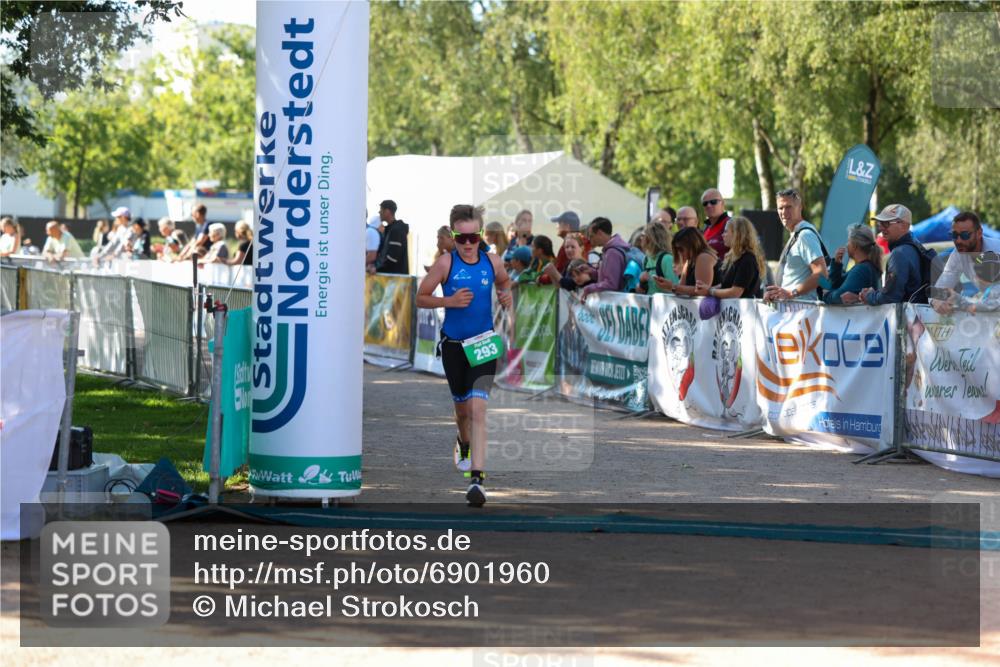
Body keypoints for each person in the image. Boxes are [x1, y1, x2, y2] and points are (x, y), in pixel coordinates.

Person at [415, 204, 512, 507]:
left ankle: (477, 480)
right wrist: (450, 301)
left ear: (482, 235)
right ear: (453, 235)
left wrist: (505, 293)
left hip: (483, 344)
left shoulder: (492, 261)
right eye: (462, 238)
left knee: (479, 410)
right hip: (454, 347)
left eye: (474, 238)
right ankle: (463, 442)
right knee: (462, 413)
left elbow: (505, 282)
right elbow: (420, 297)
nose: (469, 245)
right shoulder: (445, 263)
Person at [846, 204, 930, 305]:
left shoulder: (900, 254)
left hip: (905, 318)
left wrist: (868, 296)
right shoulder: (913, 247)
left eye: (886, 223)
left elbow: (890, 297)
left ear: (903, 226)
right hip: (916, 316)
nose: (881, 228)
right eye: (880, 223)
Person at [764, 188, 829, 302]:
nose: (784, 212)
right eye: (780, 208)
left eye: (788, 207)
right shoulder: (796, 234)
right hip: (794, 311)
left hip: (803, 313)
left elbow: (822, 274)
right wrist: (776, 294)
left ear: (800, 207)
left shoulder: (805, 235)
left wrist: (791, 293)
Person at [931, 211, 1000, 314]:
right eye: (954, 235)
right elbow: (941, 287)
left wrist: (963, 303)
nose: (958, 241)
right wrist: (936, 301)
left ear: (979, 233)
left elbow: (994, 300)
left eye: (965, 235)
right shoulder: (957, 254)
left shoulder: (997, 249)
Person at [699, 216, 766, 299]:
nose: (723, 235)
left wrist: (710, 291)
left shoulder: (747, 259)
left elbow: (735, 292)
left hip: (744, 310)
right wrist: (708, 288)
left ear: (737, 234)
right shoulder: (734, 256)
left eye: (726, 231)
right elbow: (726, 284)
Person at [821, 224, 882, 305]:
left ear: (855, 245)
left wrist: (827, 295)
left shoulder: (862, 269)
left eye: (848, 241)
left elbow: (840, 296)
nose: (846, 245)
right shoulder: (865, 267)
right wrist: (836, 265)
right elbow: (835, 286)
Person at [581, 217, 630, 297]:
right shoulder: (610, 250)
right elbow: (611, 277)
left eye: (591, 236)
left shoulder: (612, 253)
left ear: (600, 233)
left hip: (615, 301)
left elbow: (611, 284)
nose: (589, 240)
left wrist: (589, 288)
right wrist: (592, 272)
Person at [664, 226, 716, 296]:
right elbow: (680, 288)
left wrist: (672, 287)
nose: (679, 253)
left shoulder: (703, 257)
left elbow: (701, 290)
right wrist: (670, 286)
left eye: (681, 249)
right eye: (677, 250)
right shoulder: (689, 261)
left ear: (692, 245)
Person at [637, 222, 674, 295]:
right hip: (650, 305)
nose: (640, 238)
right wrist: (641, 282)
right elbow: (642, 291)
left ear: (652, 238)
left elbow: (675, 289)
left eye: (643, 235)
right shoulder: (646, 259)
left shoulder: (667, 259)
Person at [374, 199, 409, 274]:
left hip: (394, 280)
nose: (379, 212)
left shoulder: (396, 230)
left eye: (381, 210)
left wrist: (376, 269)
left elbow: (392, 259)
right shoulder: (391, 229)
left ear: (387, 211)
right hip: (391, 278)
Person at [701, 188, 731, 260]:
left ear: (722, 204)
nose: (708, 205)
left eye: (713, 202)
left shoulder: (731, 224)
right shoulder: (705, 228)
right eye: (705, 203)